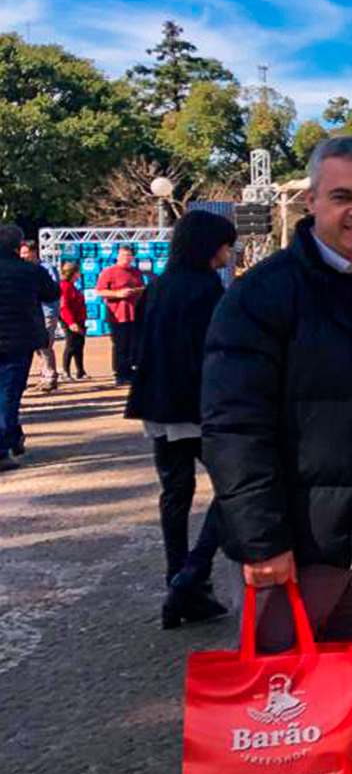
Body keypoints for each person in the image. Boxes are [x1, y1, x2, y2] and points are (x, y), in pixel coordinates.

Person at [202, 137, 352, 774]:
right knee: (272, 692)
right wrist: (262, 540)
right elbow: (234, 427)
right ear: (311, 201)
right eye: (344, 197)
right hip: (295, 535)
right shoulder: (262, 294)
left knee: (341, 685)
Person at [125, 211, 236, 630]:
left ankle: (178, 576)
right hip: (198, 404)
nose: (229, 253)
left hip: (158, 402)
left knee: (175, 493)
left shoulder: (158, 285)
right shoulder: (207, 289)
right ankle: (192, 574)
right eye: (226, 245)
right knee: (235, 488)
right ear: (210, 246)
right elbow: (214, 351)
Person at [0, 225, 60, 470]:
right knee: (8, 393)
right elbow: (53, 293)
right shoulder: (30, 271)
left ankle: (13, 437)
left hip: (16, 339)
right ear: (18, 246)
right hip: (19, 341)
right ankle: (3, 448)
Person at [95, 245, 147, 385]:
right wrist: (118, 294)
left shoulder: (136, 272)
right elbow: (99, 291)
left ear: (133, 257)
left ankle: (130, 371)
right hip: (118, 315)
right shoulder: (109, 271)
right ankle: (120, 373)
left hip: (135, 314)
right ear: (118, 256)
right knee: (120, 345)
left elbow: (142, 288)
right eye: (123, 255)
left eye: (129, 255)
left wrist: (138, 290)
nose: (126, 258)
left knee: (133, 344)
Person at [18, 241, 60, 392]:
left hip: (47, 312)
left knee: (45, 344)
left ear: (34, 252)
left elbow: (53, 290)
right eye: (21, 253)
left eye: (25, 252)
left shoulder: (47, 268)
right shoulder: (23, 269)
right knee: (36, 346)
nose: (22, 256)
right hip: (31, 313)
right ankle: (43, 376)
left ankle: (50, 377)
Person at [57, 262, 88, 380]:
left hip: (79, 319)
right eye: (78, 272)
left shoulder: (72, 286)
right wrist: (71, 323)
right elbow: (64, 307)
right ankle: (66, 372)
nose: (80, 274)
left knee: (79, 345)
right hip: (70, 320)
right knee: (71, 345)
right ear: (73, 273)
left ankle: (80, 371)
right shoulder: (64, 286)